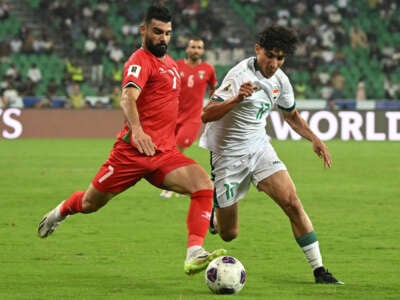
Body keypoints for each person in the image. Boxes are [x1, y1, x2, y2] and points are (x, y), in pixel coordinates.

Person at [37, 4, 226, 276]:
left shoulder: (171, 65)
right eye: (157, 32)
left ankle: (194, 252)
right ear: (144, 30)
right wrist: (137, 130)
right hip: (131, 154)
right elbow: (128, 97)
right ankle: (61, 211)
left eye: (168, 33)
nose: (163, 38)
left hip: (163, 154)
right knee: (91, 204)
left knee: (203, 186)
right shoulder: (139, 61)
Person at [199, 25, 343, 284]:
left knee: (292, 202)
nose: (274, 63)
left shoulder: (281, 80)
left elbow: (291, 115)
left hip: (259, 148)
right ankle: (216, 215)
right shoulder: (238, 76)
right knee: (229, 234)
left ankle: (320, 270)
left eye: (280, 57)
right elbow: (206, 114)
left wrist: (314, 138)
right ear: (257, 50)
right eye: (270, 55)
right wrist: (235, 100)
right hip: (228, 157)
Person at [160, 37, 218, 198]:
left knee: (177, 148)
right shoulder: (175, 66)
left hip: (192, 118)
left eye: (199, 47)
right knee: (170, 149)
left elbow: (213, 88)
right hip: (172, 116)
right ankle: (185, 181)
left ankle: (172, 185)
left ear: (203, 51)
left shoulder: (208, 69)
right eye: (193, 47)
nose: (196, 50)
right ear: (187, 49)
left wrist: (211, 105)